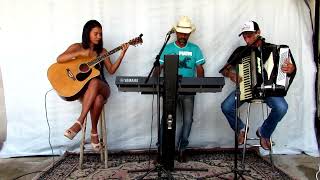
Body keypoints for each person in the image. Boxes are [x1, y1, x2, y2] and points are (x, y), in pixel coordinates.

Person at [220, 20, 296, 150]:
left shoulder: (276, 50)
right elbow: (224, 70)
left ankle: (264, 132)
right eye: (244, 36)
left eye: (249, 35)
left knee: (282, 107)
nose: (246, 39)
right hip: (246, 88)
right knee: (226, 106)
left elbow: (291, 69)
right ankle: (241, 128)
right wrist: (231, 74)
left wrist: (291, 69)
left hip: (269, 91)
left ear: (258, 32)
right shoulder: (241, 51)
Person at [57, 20, 129, 151]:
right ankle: (94, 132)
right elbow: (59, 59)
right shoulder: (77, 47)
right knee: (98, 99)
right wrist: (79, 54)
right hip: (85, 92)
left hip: (103, 86)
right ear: (87, 33)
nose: (99, 37)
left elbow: (111, 70)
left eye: (100, 34)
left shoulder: (102, 52)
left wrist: (121, 55)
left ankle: (79, 122)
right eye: (96, 33)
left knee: (95, 81)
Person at [154, 16, 205, 162]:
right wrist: (156, 77)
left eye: (186, 33)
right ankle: (161, 149)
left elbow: (200, 69)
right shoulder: (168, 48)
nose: (183, 36)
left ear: (189, 34)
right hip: (170, 90)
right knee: (166, 120)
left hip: (188, 92)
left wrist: (201, 84)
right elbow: (160, 67)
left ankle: (182, 149)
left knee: (188, 121)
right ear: (176, 32)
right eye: (181, 33)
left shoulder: (195, 49)